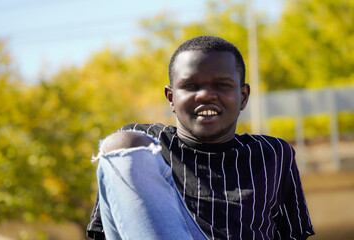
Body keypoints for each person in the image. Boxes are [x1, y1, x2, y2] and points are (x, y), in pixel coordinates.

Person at [87, 36, 315, 240]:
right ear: (171, 98)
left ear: (243, 96)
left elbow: (293, 234)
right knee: (123, 143)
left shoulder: (273, 153)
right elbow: (109, 229)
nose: (205, 94)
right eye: (191, 86)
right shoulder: (145, 148)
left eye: (222, 85)